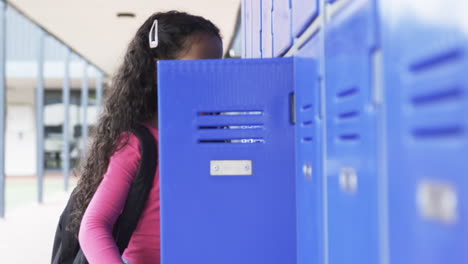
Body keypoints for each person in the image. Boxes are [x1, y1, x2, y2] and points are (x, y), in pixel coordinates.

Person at [71, 11, 223, 264]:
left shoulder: (215, 135)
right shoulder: (137, 144)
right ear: (157, 69)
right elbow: (94, 226)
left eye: (216, 69)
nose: (210, 80)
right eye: (198, 68)